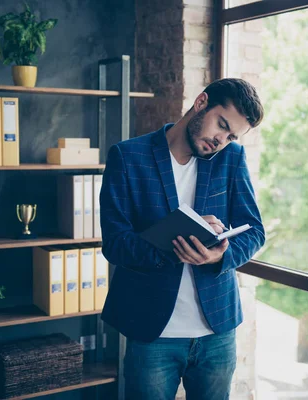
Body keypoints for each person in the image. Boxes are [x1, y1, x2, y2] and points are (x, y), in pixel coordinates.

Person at [99, 78, 266, 400]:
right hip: (152, 331)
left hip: (218, 331)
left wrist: (219, 255)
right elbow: (116, 244)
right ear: (201, 102)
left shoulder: (231, 159)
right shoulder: (128, 156)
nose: (221, 140)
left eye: (231, 135)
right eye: (221, 125)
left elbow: (254, 232)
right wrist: (176, 243)